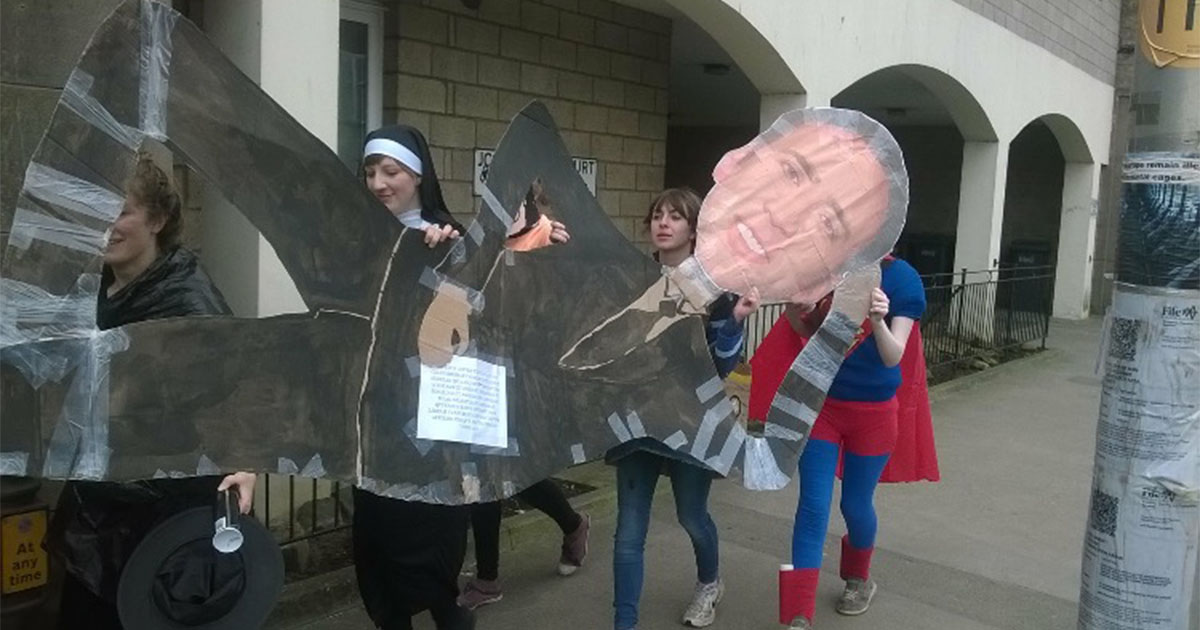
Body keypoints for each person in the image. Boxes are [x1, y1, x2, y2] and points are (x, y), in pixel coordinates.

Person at [49, 155, 256, 630]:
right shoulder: (89, 291)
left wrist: (245, 461)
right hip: (99, 496)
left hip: (166, 506)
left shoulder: (189, 302)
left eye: (120, 211)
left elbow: (238, 387)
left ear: (158, 220)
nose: (105, 225)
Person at [607, 188, 757, 630]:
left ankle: (709, 583)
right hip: (638, 419)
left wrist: (735, 320)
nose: (663, 223)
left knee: (691, 516)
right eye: (658, 215)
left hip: (693, 421)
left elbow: (722, 366)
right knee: (628, 531)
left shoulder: (716, 291)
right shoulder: (632, 280)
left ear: (693, 229)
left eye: (675, 216)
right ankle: (624, 622)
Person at [351, 124, 475, 630]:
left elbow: (465, 332)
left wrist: (442, 261)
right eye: (370, 172)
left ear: (419, 175)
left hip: (428, 424)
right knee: (377, 544)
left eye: (391, 171)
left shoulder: (445, 239)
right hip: (373, 416)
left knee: (425, 540)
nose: (378, 183)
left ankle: (451, 616)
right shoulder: (360, 239)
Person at [773, 255, 927, 630]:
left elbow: (893, 356)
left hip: (874, 415)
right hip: (822, 405)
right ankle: (798, 614)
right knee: (813, 505)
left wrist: (876, 320)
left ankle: (858, 578)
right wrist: (794, 307)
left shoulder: (903, 278)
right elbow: (808, 329)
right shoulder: (829, 267)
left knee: (855, 505)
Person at [458, 179, 589, 611]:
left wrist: (557, 257)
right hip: (484, 371)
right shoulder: (487, 241)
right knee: (487, 476)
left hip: (528, 379)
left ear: (529, 199)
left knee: (511, 475)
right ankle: (490, 577)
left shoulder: (551, 238)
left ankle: (571, 525)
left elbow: (560, 312)